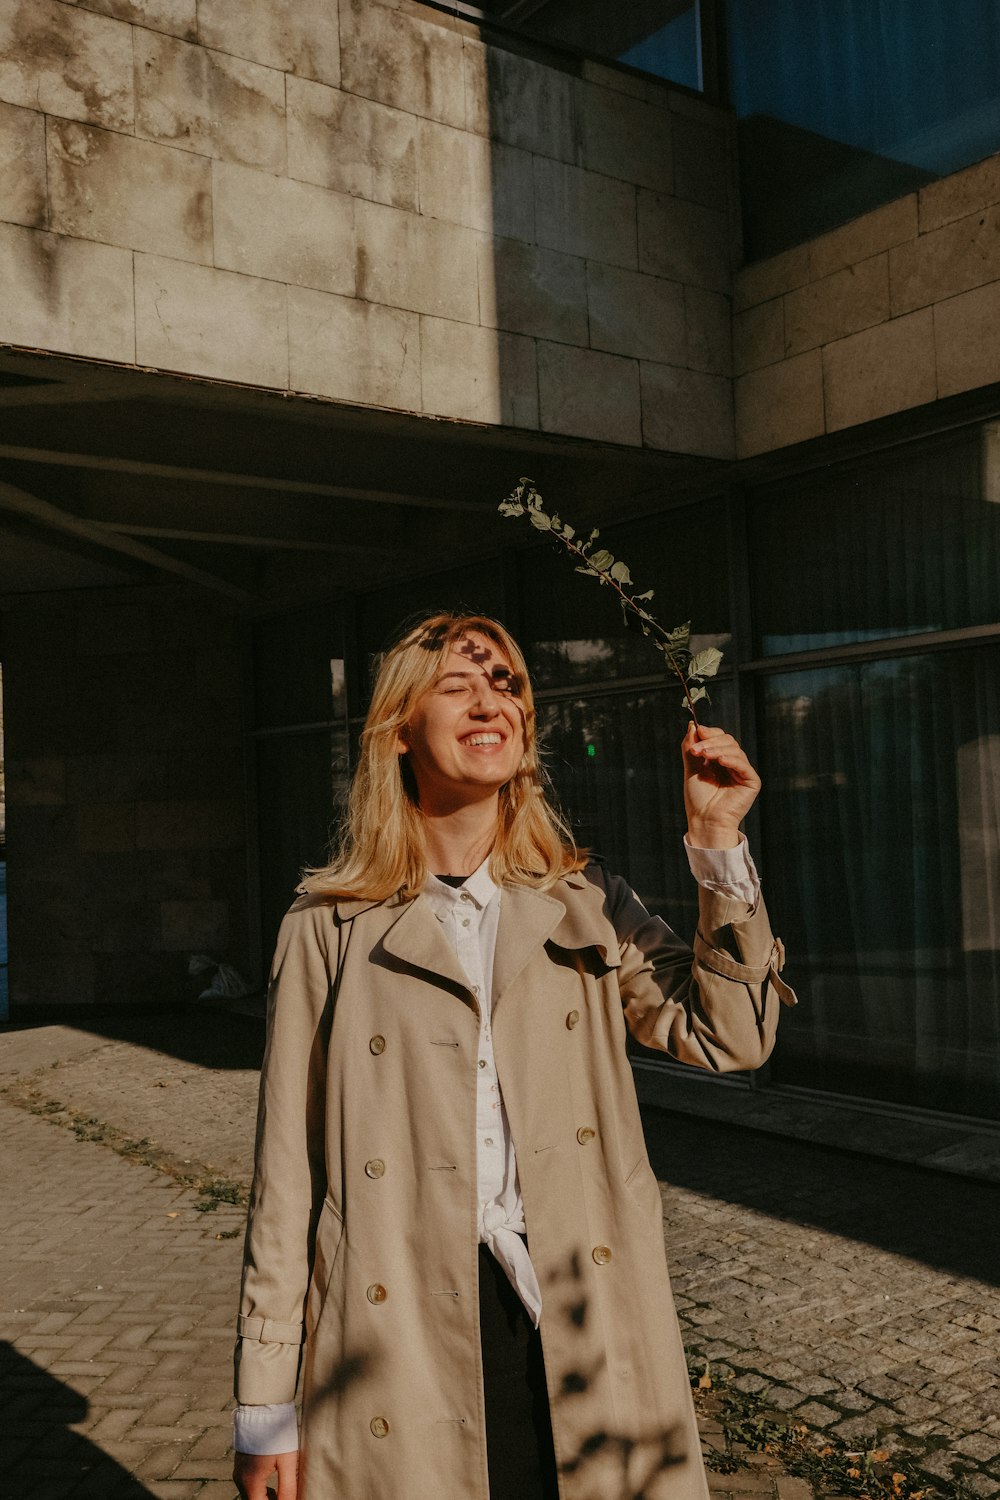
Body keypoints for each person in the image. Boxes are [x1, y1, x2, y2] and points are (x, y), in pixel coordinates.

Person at [231, 612, 795, 1500]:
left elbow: (730, 1036)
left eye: (506, 686)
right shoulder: (326, 927)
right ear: (399, 729)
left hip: (576, 1312)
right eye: (456, 686)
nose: (489, 701)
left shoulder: (586, 899)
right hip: (399, 1332)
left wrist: (718, 846)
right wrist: (265, 1407)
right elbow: (286, 1179)